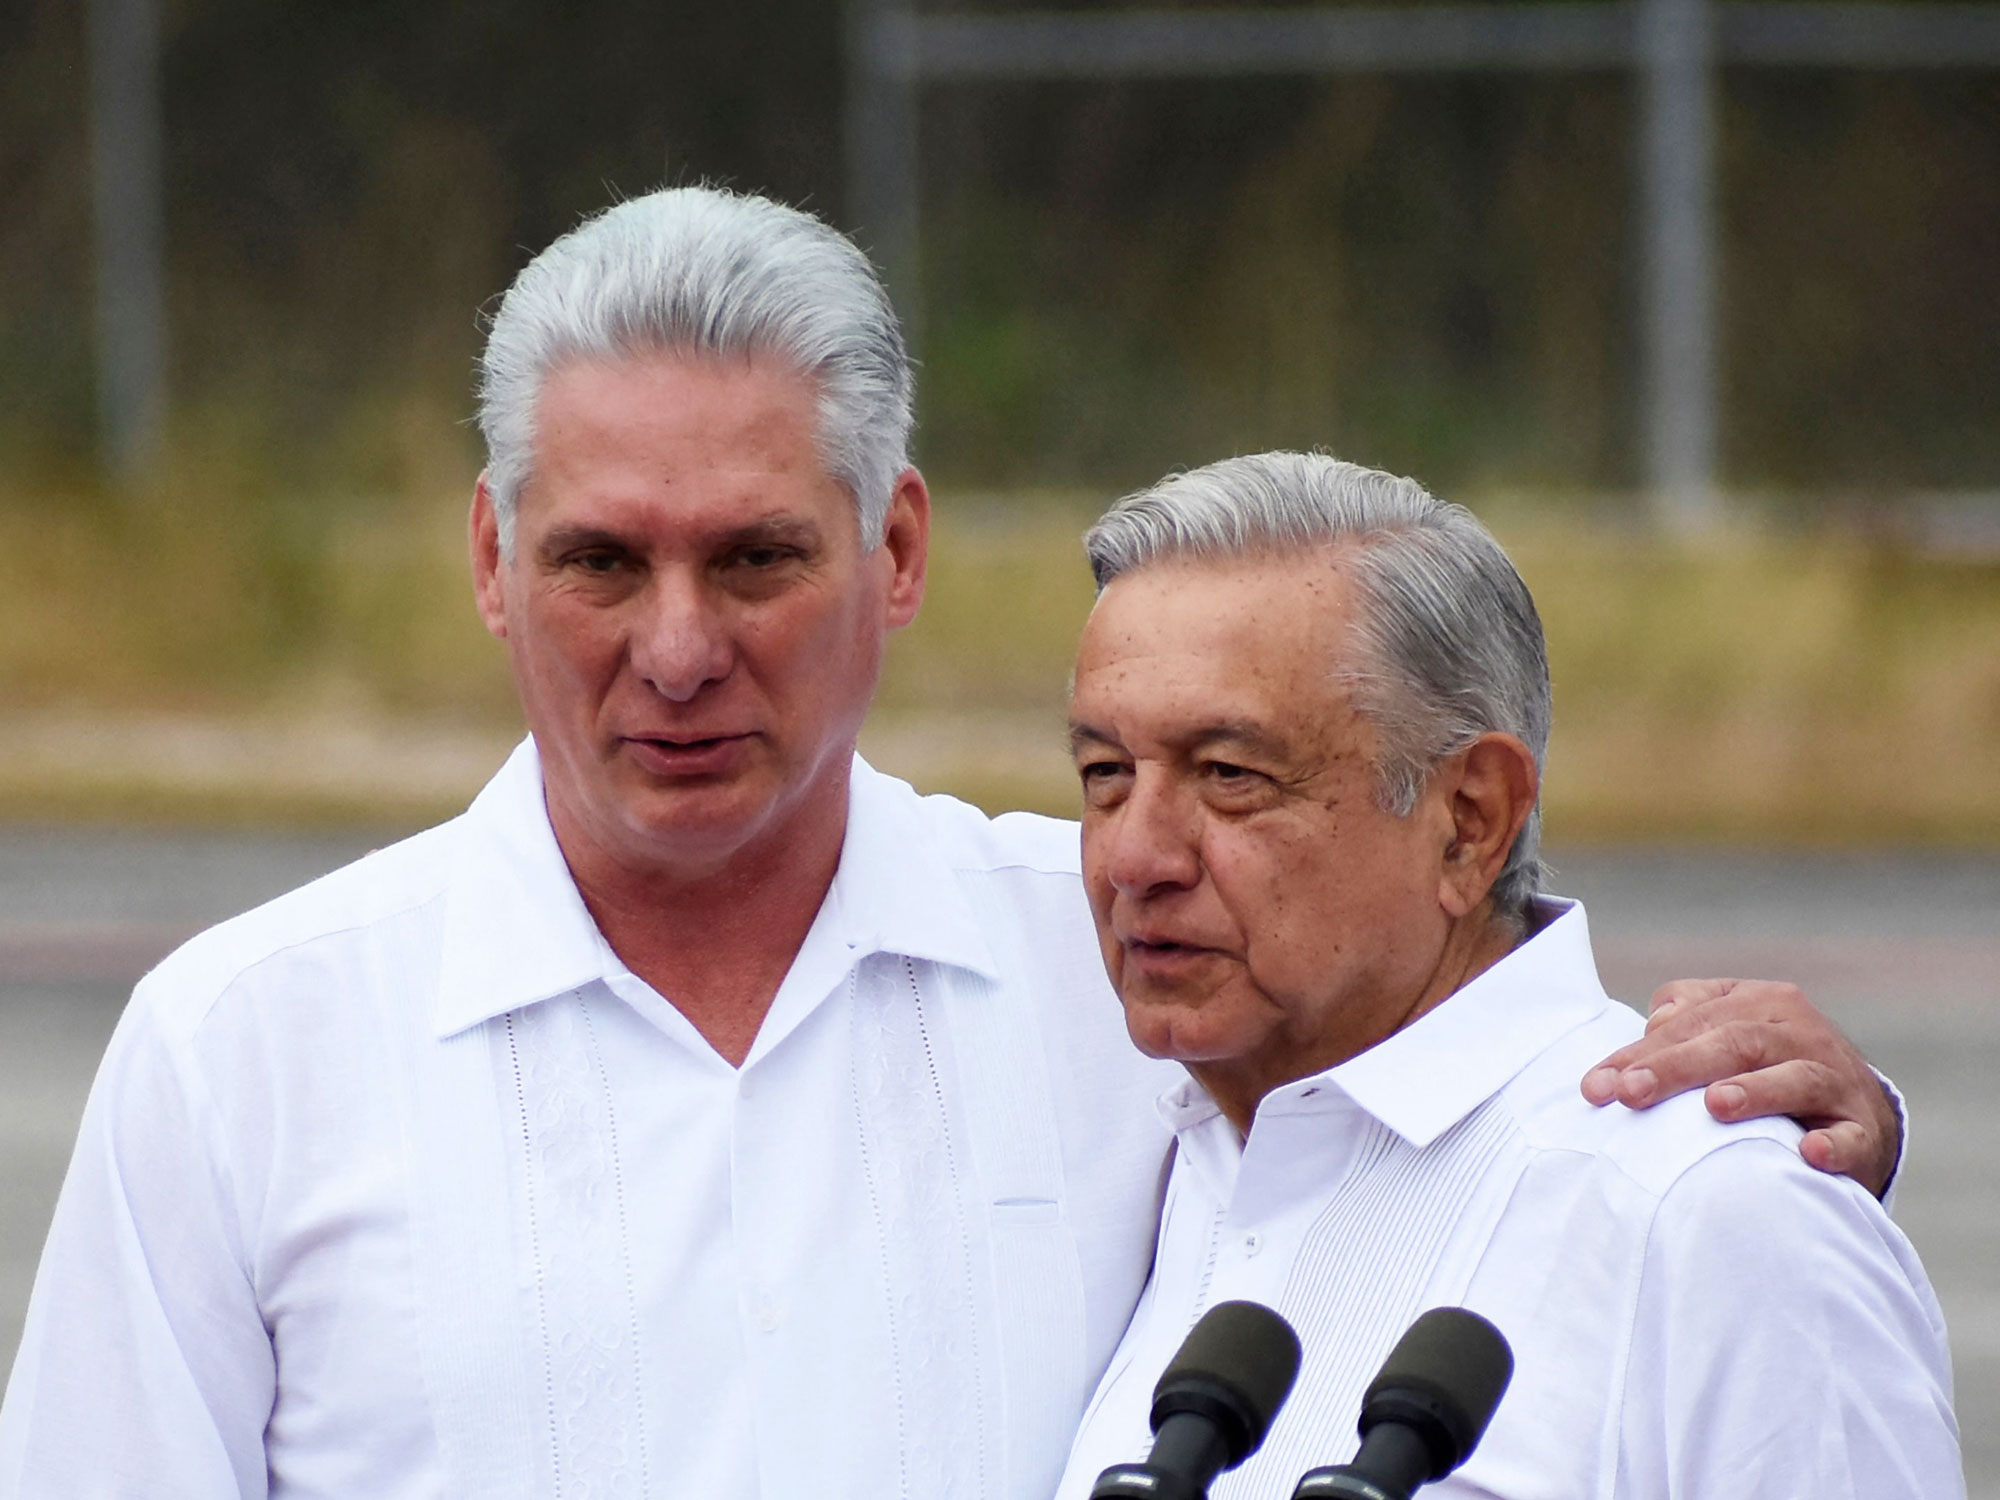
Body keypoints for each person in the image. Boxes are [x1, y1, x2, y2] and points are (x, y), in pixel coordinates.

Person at [0, 188, 1905, 1499]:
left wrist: (1784, 1145)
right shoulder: (241, 1049)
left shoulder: (1127, 984)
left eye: (755, 556)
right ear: (494, 562)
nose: (676, 650)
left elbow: (1450, 1042)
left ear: (896, 551)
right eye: (600, 559)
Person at [1054, 452, 1958, 1499]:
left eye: (1229, 776)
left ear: (1468, 819)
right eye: (1104, 775)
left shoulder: (1708, 1219)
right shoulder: (1129, 1122)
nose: (1132, 858)